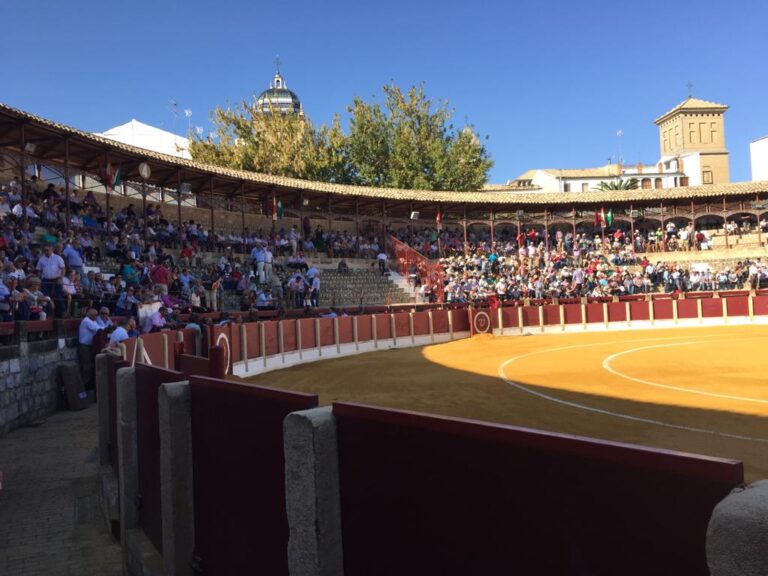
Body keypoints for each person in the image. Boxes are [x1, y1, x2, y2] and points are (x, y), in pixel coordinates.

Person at [78, 308, 102, 390]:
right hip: (84, 346)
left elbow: (100, 328)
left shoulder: (93, 321)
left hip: (89, 346)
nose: (96, 316)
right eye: (95, 315)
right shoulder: (86, 321)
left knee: (90, 365)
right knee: (86, 366)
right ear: (90, 315)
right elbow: (97, 330)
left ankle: (87, 385)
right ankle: (82, 386)